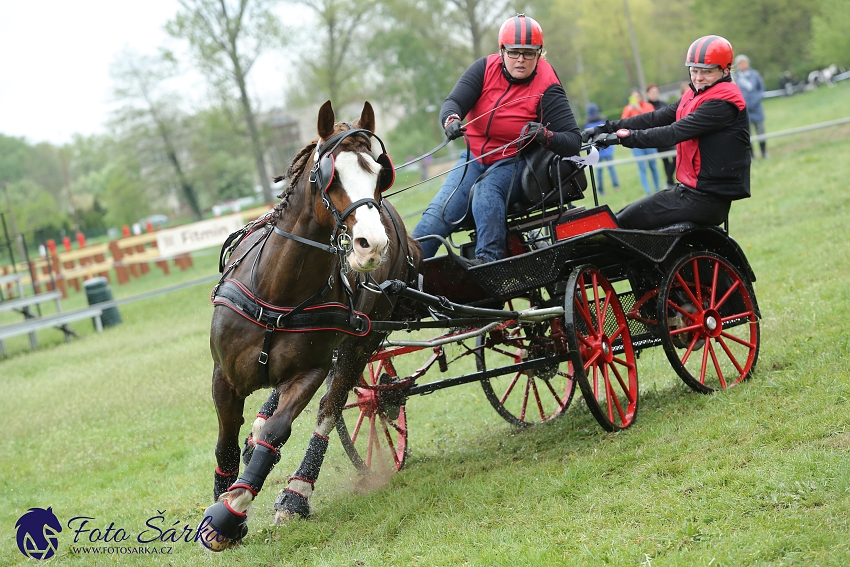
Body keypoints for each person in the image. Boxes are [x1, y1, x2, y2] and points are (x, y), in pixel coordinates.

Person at [411, 14, 581, 265]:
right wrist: (451, 120)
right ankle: (404, 273)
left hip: (515, 161)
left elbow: (573, 141)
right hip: (474, 157)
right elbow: (453, 103)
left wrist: (545, 135)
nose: (521, 60)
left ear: (539, 53)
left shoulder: (548, 85)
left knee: (485, 190)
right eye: (514, 52)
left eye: (529, 53)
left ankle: (489, 264)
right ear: (502, 51)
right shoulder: (483, 68)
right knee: (439, 215)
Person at [581, 35, 751, 231]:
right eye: (694, 70)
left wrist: (620, 138)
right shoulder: (697, 93)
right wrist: (607, 127)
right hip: (690, 193)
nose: (697, 77)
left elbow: (672, 133)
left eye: (707, 72)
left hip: (705, 200)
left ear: (726, 70)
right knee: (617, 217)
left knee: (619, 224)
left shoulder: (722, 103)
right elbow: (656, 117)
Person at [621, 88, 660, 194]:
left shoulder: (648, 106)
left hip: (649, 139)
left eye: (637, 97)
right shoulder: (628, 109)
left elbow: (649, 119)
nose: (635, 99)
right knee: (642, 167)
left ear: (641, 97)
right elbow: (622, 123)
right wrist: (629, 109)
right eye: (633, 97)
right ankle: (648, 192)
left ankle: (657, 189)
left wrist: (638, 109)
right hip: (636, 142)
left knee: (653, 165)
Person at [734, 54, 768, 158]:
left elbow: (761, 89)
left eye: (744, 63)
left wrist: (756, 101)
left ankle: (764, 152)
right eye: (740, 63)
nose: (742, 65)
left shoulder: (754, 75)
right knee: (747, 134)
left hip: (757, 108)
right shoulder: (736, 78)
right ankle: (751, 155)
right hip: (744, 110)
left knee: (761, 131)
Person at [583, 103, 619, 195]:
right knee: (611, 168)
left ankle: (601, 191)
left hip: (597, 151)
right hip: (607, 149)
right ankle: (616, 187)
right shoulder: (603, 120)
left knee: (599, 171)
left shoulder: (587, 124)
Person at [645, 84, 676, 189]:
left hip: (669, 135)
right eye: (652, 93)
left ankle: (669, 180)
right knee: (665, 160)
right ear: (647, 94)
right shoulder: (647, 106)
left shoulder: (663, 104)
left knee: (676, 156)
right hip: (658, 137)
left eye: (656, 92)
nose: (655, 95)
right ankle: (670, 182)